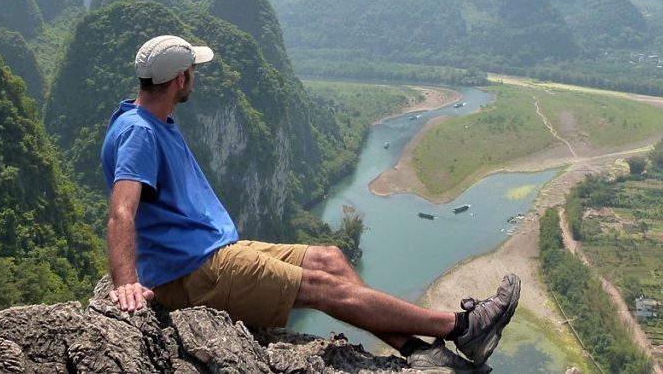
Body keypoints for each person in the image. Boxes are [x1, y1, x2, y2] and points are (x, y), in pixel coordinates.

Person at [101, 35, 521, 372]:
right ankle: (464, 326)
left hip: (213, 251)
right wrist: (126, 284)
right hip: (194, 273)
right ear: (180, 80)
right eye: (193, 70)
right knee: (322, 289)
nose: (195, 76)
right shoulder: (140, 132)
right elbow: (122, 211)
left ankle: (415, 349)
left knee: (331, 259)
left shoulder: (147, 119)